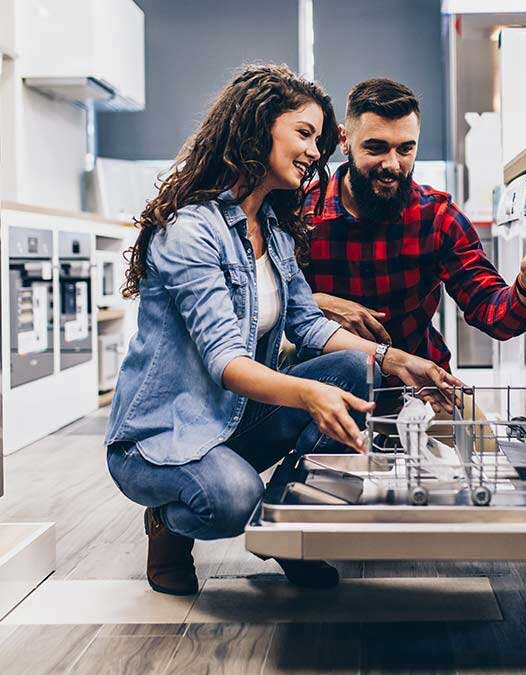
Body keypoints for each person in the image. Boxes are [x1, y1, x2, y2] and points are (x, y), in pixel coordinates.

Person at [103, 65, 461, 596]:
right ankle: (168, 521)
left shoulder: (271, 226)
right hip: (162, 436)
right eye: (304, 134)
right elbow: (227, 363)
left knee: (356, 366)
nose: (316, 152)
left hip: (232, 419)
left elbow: (308, 322)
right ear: (257, 128)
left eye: (318, 139)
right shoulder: (191, 230)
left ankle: (290, 527)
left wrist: (397, 360)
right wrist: (309, 393)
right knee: (232, 499)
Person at [302, 79, 526, 388]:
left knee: (476, 423)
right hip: (321, 389)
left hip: (419, 388)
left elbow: (493, 313)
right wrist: (316, 303)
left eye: (405, 149)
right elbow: (267, 307)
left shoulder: (438, 217)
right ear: (344, 140)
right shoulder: (300, 213)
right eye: (376, 148)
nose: (392, 165)